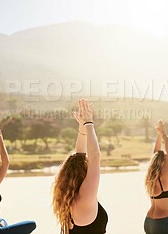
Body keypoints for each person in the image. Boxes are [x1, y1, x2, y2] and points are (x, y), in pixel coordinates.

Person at [53, 99, 108, 234]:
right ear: (84, 172)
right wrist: (89, 122)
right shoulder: (85, 197)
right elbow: (95, 157)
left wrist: (82, 128)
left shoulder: (68, 199)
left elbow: (80, 155)